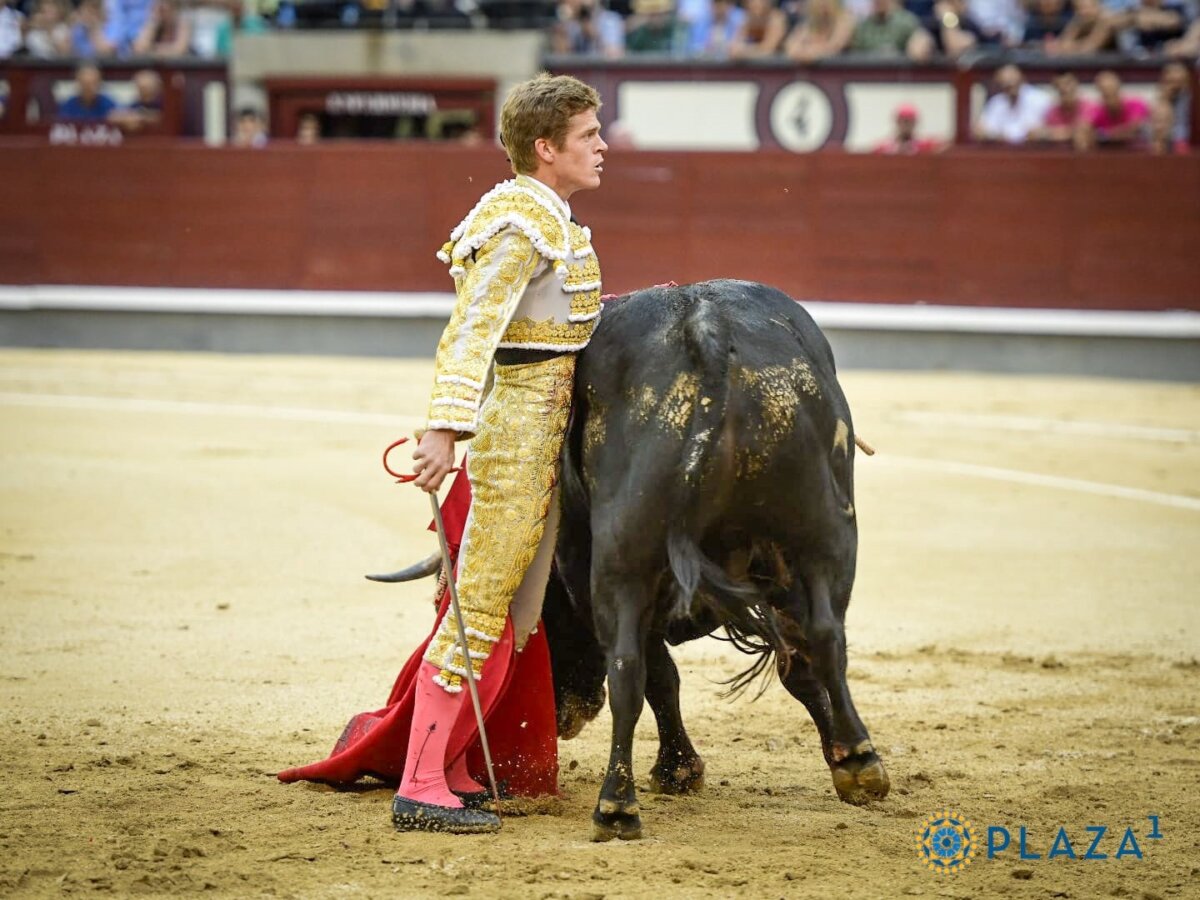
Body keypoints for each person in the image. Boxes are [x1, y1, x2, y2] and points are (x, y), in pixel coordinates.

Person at [279, 74, 608, 836]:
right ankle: (421, 782)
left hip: (541, 440)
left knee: (513, 616)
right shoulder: (524, 224)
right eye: (589, 135)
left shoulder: (547, 217)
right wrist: (443, 429)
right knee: (481, 614)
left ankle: (453, 765)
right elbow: (470, 332)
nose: (602, 147)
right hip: (515, 443)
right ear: (547, 147)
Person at [974, 63, 1052, 144]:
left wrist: (1043, 133)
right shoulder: (996, 102)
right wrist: (996, 136)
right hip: (1002, 150)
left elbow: (1051, 129)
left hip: (1034, 149)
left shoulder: (1041, 99)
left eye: (1012, 81)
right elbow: (980, 131)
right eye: (1005, 83)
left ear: (1022, 79)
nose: (1009, 85)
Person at [1081, 69, 1150, 147]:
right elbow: (1084, 131)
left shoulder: (1136, 104)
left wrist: (1105, 135)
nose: (1109, 96)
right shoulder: (1096, 111)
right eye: (1105, 93)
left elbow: (1134, 129)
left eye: (1112, 91)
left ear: (1118, 88)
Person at [848, 0, 934, 60]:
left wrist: (922, 42)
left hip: (898, 79)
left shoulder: (905, 20)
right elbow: (855, 54)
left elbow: (921, 39)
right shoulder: (864, 26)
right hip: (868, 79)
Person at [1030, 70, 1096, 147]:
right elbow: (1038, 134)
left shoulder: (1090, 107)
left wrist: (1051, 133)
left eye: (1067, 83)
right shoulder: (1052, 111)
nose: (1063, 88)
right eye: (1059, 84)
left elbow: (1083, 130)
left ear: (1076, 84)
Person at [784, 0, 854, 62]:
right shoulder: (809, 23)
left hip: (841, 72)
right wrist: (806, 54)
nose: (823, 3)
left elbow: (833, 48)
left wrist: (808, 52)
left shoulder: (844, 19)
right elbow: (791, 48)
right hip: (814, 74)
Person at [873, 103, 942, 152]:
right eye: (903, 121)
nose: (906, 125)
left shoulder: (925, 146)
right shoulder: (884, 148)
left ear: (915, 122)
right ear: (897, 121)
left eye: (910, 121)